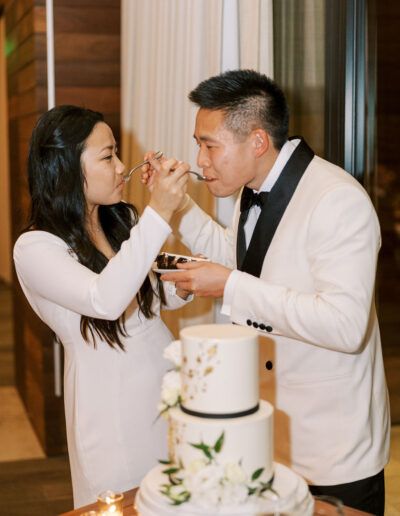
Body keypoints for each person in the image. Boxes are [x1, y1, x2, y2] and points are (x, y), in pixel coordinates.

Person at [142, 70, 391, 515]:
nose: (200, 160)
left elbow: (346, 325)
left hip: (332, 448)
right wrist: (180, 206)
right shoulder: (252, 190)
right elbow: (244, 261)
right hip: (265, 440)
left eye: (209, 145)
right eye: (198, 145)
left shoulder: (337, 199)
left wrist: (230, 285)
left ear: (257, 141)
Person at [13, 105, 191, 508]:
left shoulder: (119, 219)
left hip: (165, 388)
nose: (121, 166)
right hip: (111, 409)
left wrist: (184, 282)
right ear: (65, 168)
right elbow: (105, 301)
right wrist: (159, 210)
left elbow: (146, 298)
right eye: (108, 156)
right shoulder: (36, 248)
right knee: (124, 503)